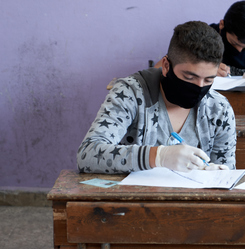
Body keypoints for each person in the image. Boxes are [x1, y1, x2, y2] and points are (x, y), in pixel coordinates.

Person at [77, 21, 236, 174]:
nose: (200, 87)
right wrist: (159, 156)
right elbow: (87, 154)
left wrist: (219, 174)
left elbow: (226, 173)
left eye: (209, 80)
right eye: (189, 77)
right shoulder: (131, 93)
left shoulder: (218, 109)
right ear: (166, 66)